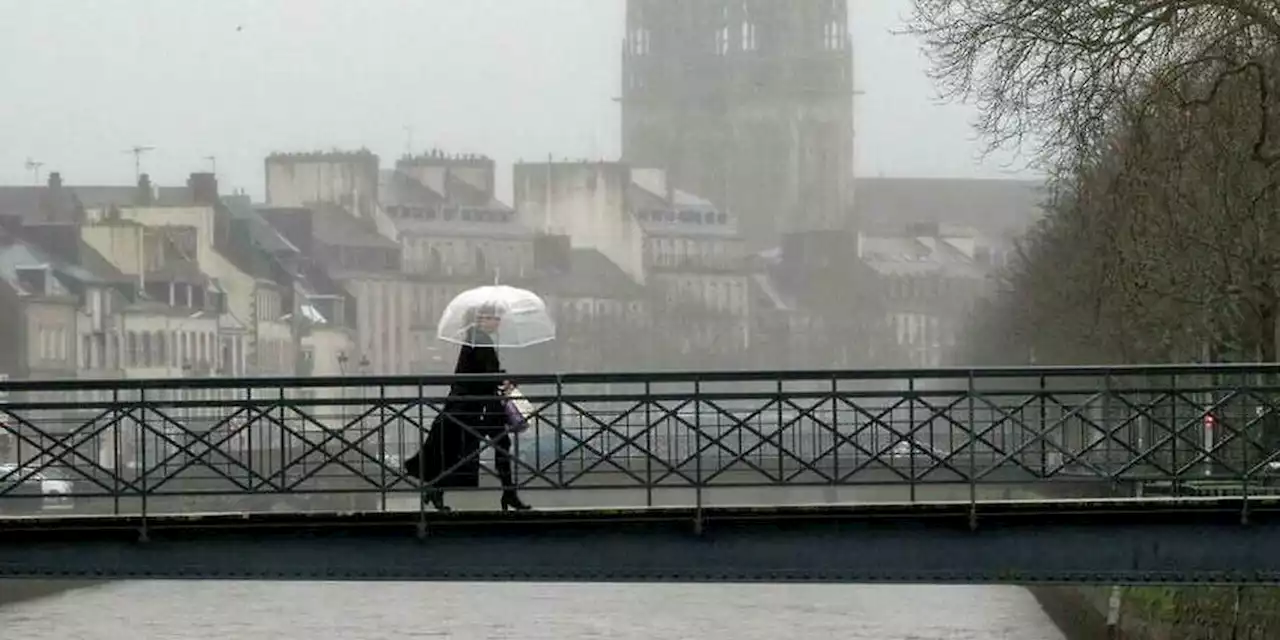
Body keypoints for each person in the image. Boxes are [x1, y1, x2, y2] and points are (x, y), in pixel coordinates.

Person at [403, 304, 531, 512]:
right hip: (477, 408)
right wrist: (506, 380)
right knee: (490, 447)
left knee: (461, 448)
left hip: (474, 406)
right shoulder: (479, 341)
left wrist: (502, 377)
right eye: (494, 318)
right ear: (481, 320)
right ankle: (508, 494)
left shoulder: (477, 339)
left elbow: (486, 372)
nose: (498, 322)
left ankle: (505, 493)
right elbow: (487, 374)